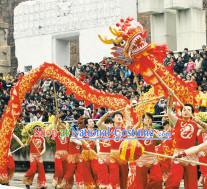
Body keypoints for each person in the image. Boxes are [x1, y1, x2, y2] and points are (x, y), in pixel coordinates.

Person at [165, 94, 202, 189]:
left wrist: (200, 122)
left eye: (189, 110)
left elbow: (205, 129)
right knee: (174, 181)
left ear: (192, 113)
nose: (186, 111)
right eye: (184, 110)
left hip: (191, 155)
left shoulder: (196, 124)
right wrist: (170, 97)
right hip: (178, 154)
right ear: (181, 112)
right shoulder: (177, 121)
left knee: (192, 185)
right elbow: (169, 111)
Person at [135, 113, 163, 189]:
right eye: (146, 118)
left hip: (152, 158)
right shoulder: (138, 130)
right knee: (140, 183)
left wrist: (152, 133)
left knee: (158, 179)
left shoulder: (155, 131)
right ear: (142, 120)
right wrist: (138, 124)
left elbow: (160, 141)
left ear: (152, 121)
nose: (147, 120)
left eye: (149, 118)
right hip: (141, 158)